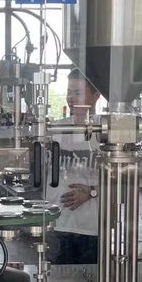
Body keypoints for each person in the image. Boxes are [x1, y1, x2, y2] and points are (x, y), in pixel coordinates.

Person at [48, 70, 102, 264]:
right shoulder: (55, 129)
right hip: (57, 225)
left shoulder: (104, 132)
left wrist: (92, 192)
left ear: (96, 96)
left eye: (77, 92)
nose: (71, 98)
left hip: (90, 229)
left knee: (88, 279)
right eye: (69, 92)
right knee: (56, 278)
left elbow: (121, 180)